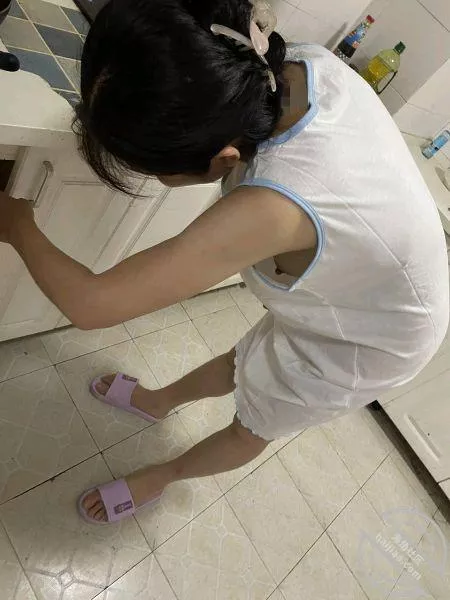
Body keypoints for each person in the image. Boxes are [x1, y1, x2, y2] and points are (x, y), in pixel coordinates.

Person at [0, 0, 448, 524]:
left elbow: (93, 305)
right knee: (251, 355)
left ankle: (163, 477)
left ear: (224, 158)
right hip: (373, 278)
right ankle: (157, 401)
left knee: (256, 421)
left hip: (382, 335)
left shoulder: (277, 205)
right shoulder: (273, 68)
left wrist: (17, 222)